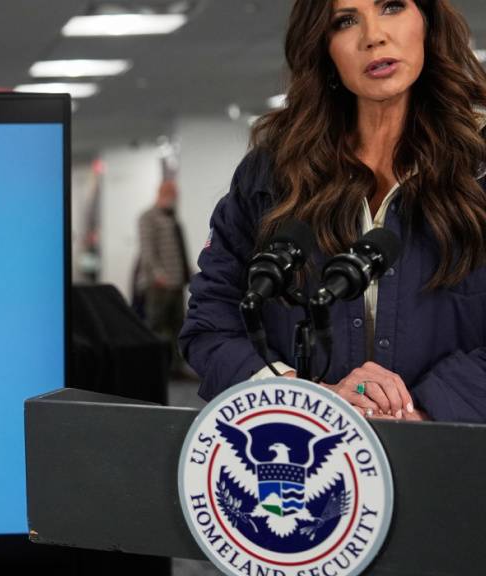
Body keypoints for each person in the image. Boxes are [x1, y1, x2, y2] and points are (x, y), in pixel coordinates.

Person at [180, 0, 486, 423]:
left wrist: (418, 413)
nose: (373, 36)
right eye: (345, 21)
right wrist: (309, 401)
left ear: (428, 22)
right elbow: (211, 325)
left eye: (392, 6)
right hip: (306, 449)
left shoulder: (479, 168)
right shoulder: (272, 174)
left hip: (452, 454)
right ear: (323, 48)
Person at [136, 179, 192, 377]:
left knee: (177, 327)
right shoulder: (147, 217)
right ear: (161, 192)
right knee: (156, 327)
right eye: (172, 193)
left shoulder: (172, 218)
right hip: (158, 285)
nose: (175, 197)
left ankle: (176, 368)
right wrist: (158, 275)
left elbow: (179, 250)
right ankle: (153, 369)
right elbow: (147, 251)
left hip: (177, 283)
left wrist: (189, 273)